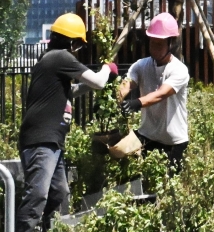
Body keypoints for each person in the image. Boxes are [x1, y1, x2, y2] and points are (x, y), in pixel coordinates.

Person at [16, 13, 117, 232]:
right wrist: (107, 68)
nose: (76, 50)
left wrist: (101, 79)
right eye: (78, 45)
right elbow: (99, 82)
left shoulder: (50, 60)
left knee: (59, 194)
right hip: (41, 140)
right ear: (70, 41)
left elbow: (72, 91)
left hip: (51, 142)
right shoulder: (60, 57)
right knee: (37, 196)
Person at [120, 12, 189, 171]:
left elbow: (161, 94)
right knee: (139, 179)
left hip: (174, 141)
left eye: (159, 44)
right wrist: (115, 98)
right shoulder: (140, 65)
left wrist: (136, 103)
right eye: (152, 43)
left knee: (171, 184)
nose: (154, 48)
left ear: (171, 44)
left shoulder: (179, 70)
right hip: (147, 136)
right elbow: (127, 84)